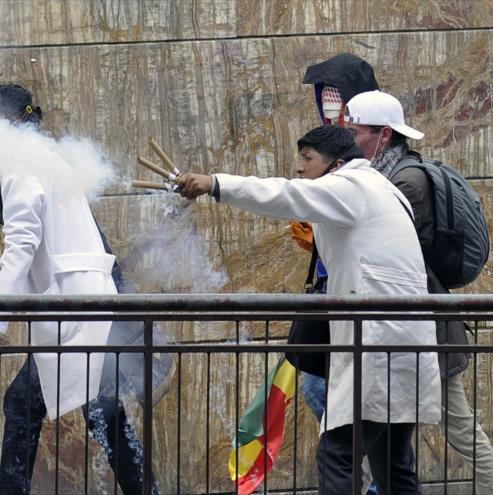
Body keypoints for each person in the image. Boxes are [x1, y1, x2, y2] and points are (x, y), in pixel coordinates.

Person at [174, 125, 443, 494]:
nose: (299, 167)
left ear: (336, 163)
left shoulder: (352, 186)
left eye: (307, 157)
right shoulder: (383, 190)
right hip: (403, 343)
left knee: (338, 456)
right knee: (393, 467)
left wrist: (215, 183)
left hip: (378, 344)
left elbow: (285, 193)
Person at [0, 84, 157, 494]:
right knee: (101, 414)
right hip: (85, 309)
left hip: (76, 316)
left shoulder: (21, 163)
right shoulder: (46, 156)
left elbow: (20, 248)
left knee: (36, 407)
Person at [345, 89, 493, 494]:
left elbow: (397, 257)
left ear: (384, 135)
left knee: (461, 431)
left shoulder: (406, 181)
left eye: (355, 133)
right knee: (387, 440)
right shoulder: (389, 175)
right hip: (410, 330)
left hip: (428, 331)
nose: (350, 141)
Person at [298, 52, 381, 495]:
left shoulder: (373, 162)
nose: (331, 108)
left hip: (370, 303)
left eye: (337, 100)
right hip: (333, 291)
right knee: (319, 391)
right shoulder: (333, 155)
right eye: (324, 99)